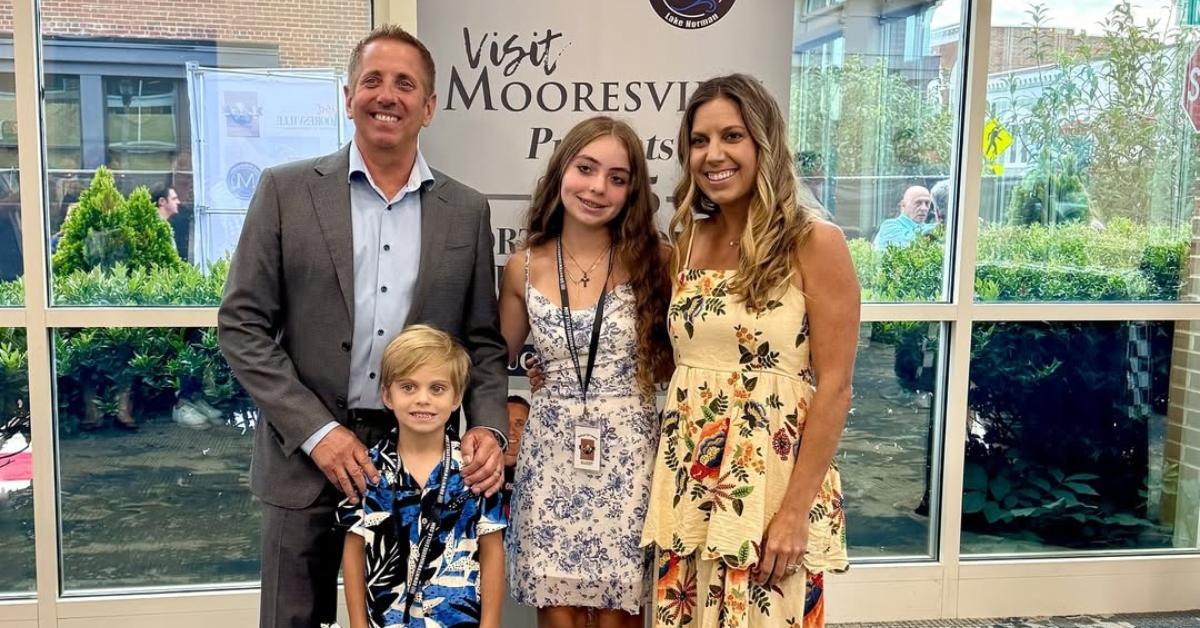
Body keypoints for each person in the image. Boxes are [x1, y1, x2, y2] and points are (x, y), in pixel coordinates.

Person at [217, 25, 508, 628]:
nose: (387, 95)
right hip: (303, 454)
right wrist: (317, 432)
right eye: (372, 80)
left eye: (406, 84)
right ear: (347, 97)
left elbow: (480, 341)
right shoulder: (284, 191)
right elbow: (242, 325)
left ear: (428, 107)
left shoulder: (467, 210)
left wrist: (490, 431)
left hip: (421, 461)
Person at [641, 74, 859, 628]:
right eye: (699, 140)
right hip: (690, 476)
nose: (713, 155)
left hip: (769, 487)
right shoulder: (686, 240)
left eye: (731, 136)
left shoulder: (816, 242)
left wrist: (794, 513)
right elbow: (684, 358)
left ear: (763, 141)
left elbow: (835, 387)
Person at [498, 116, 673, 628]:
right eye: (586, 168)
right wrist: (516, 393)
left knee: (620, 613)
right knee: (558, 611)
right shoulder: (523, 265)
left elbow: (685, 349)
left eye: (617, 178)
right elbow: (493, 358)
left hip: (628, 452)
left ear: (632, 191)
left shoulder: (655, 260)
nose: (598, 187)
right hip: (551, 451)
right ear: (561, 172)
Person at [337, 324, 506, 628]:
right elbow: (353, 552)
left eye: (437, 388)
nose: (423, 399)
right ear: (387, 395)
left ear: (457, 398)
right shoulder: (367, 470)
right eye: (408, 387)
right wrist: (358, 625)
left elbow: (492, 549)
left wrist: (491, 623)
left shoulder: (475, 470)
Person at [873, 185, 935, 250]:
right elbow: (912, 249)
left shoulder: (930, 228)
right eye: (918, 203)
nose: (924, 208)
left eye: (927, 203)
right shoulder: (889, 226)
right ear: (903, 205)